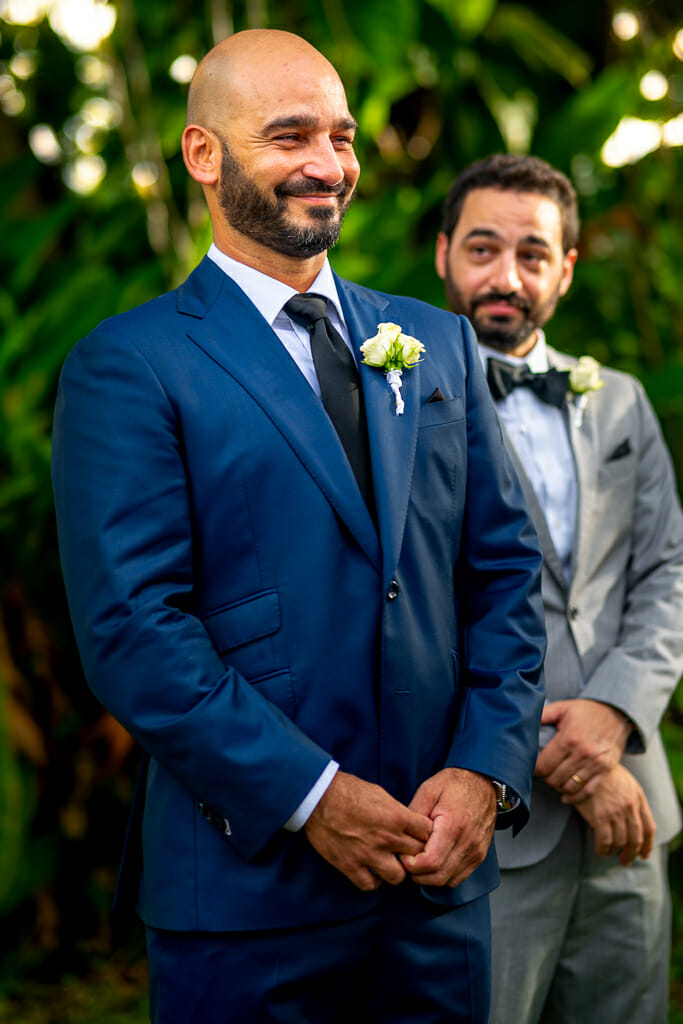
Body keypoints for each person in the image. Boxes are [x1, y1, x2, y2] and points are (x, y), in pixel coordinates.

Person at [51, 32, 546, 1024]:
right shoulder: (131, 363)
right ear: (204, 155)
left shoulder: (435, 340)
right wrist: (311, 794)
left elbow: (504, 574)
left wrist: (486, 770)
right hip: (246, 901)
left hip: (436, 886)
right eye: (289, 137)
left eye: (342, 136)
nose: (328, 165)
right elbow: (134, 632)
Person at [436, 152, 683, 1024]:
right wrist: (563, 760)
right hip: (492, 816)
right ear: (442, 255)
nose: (506, 277)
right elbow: (417, 609)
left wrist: (611, 715)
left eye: (532, 254)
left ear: (565, 269)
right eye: (482, 248)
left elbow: (665, 572)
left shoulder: (618, 402)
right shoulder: (399, 409)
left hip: (630, 813)